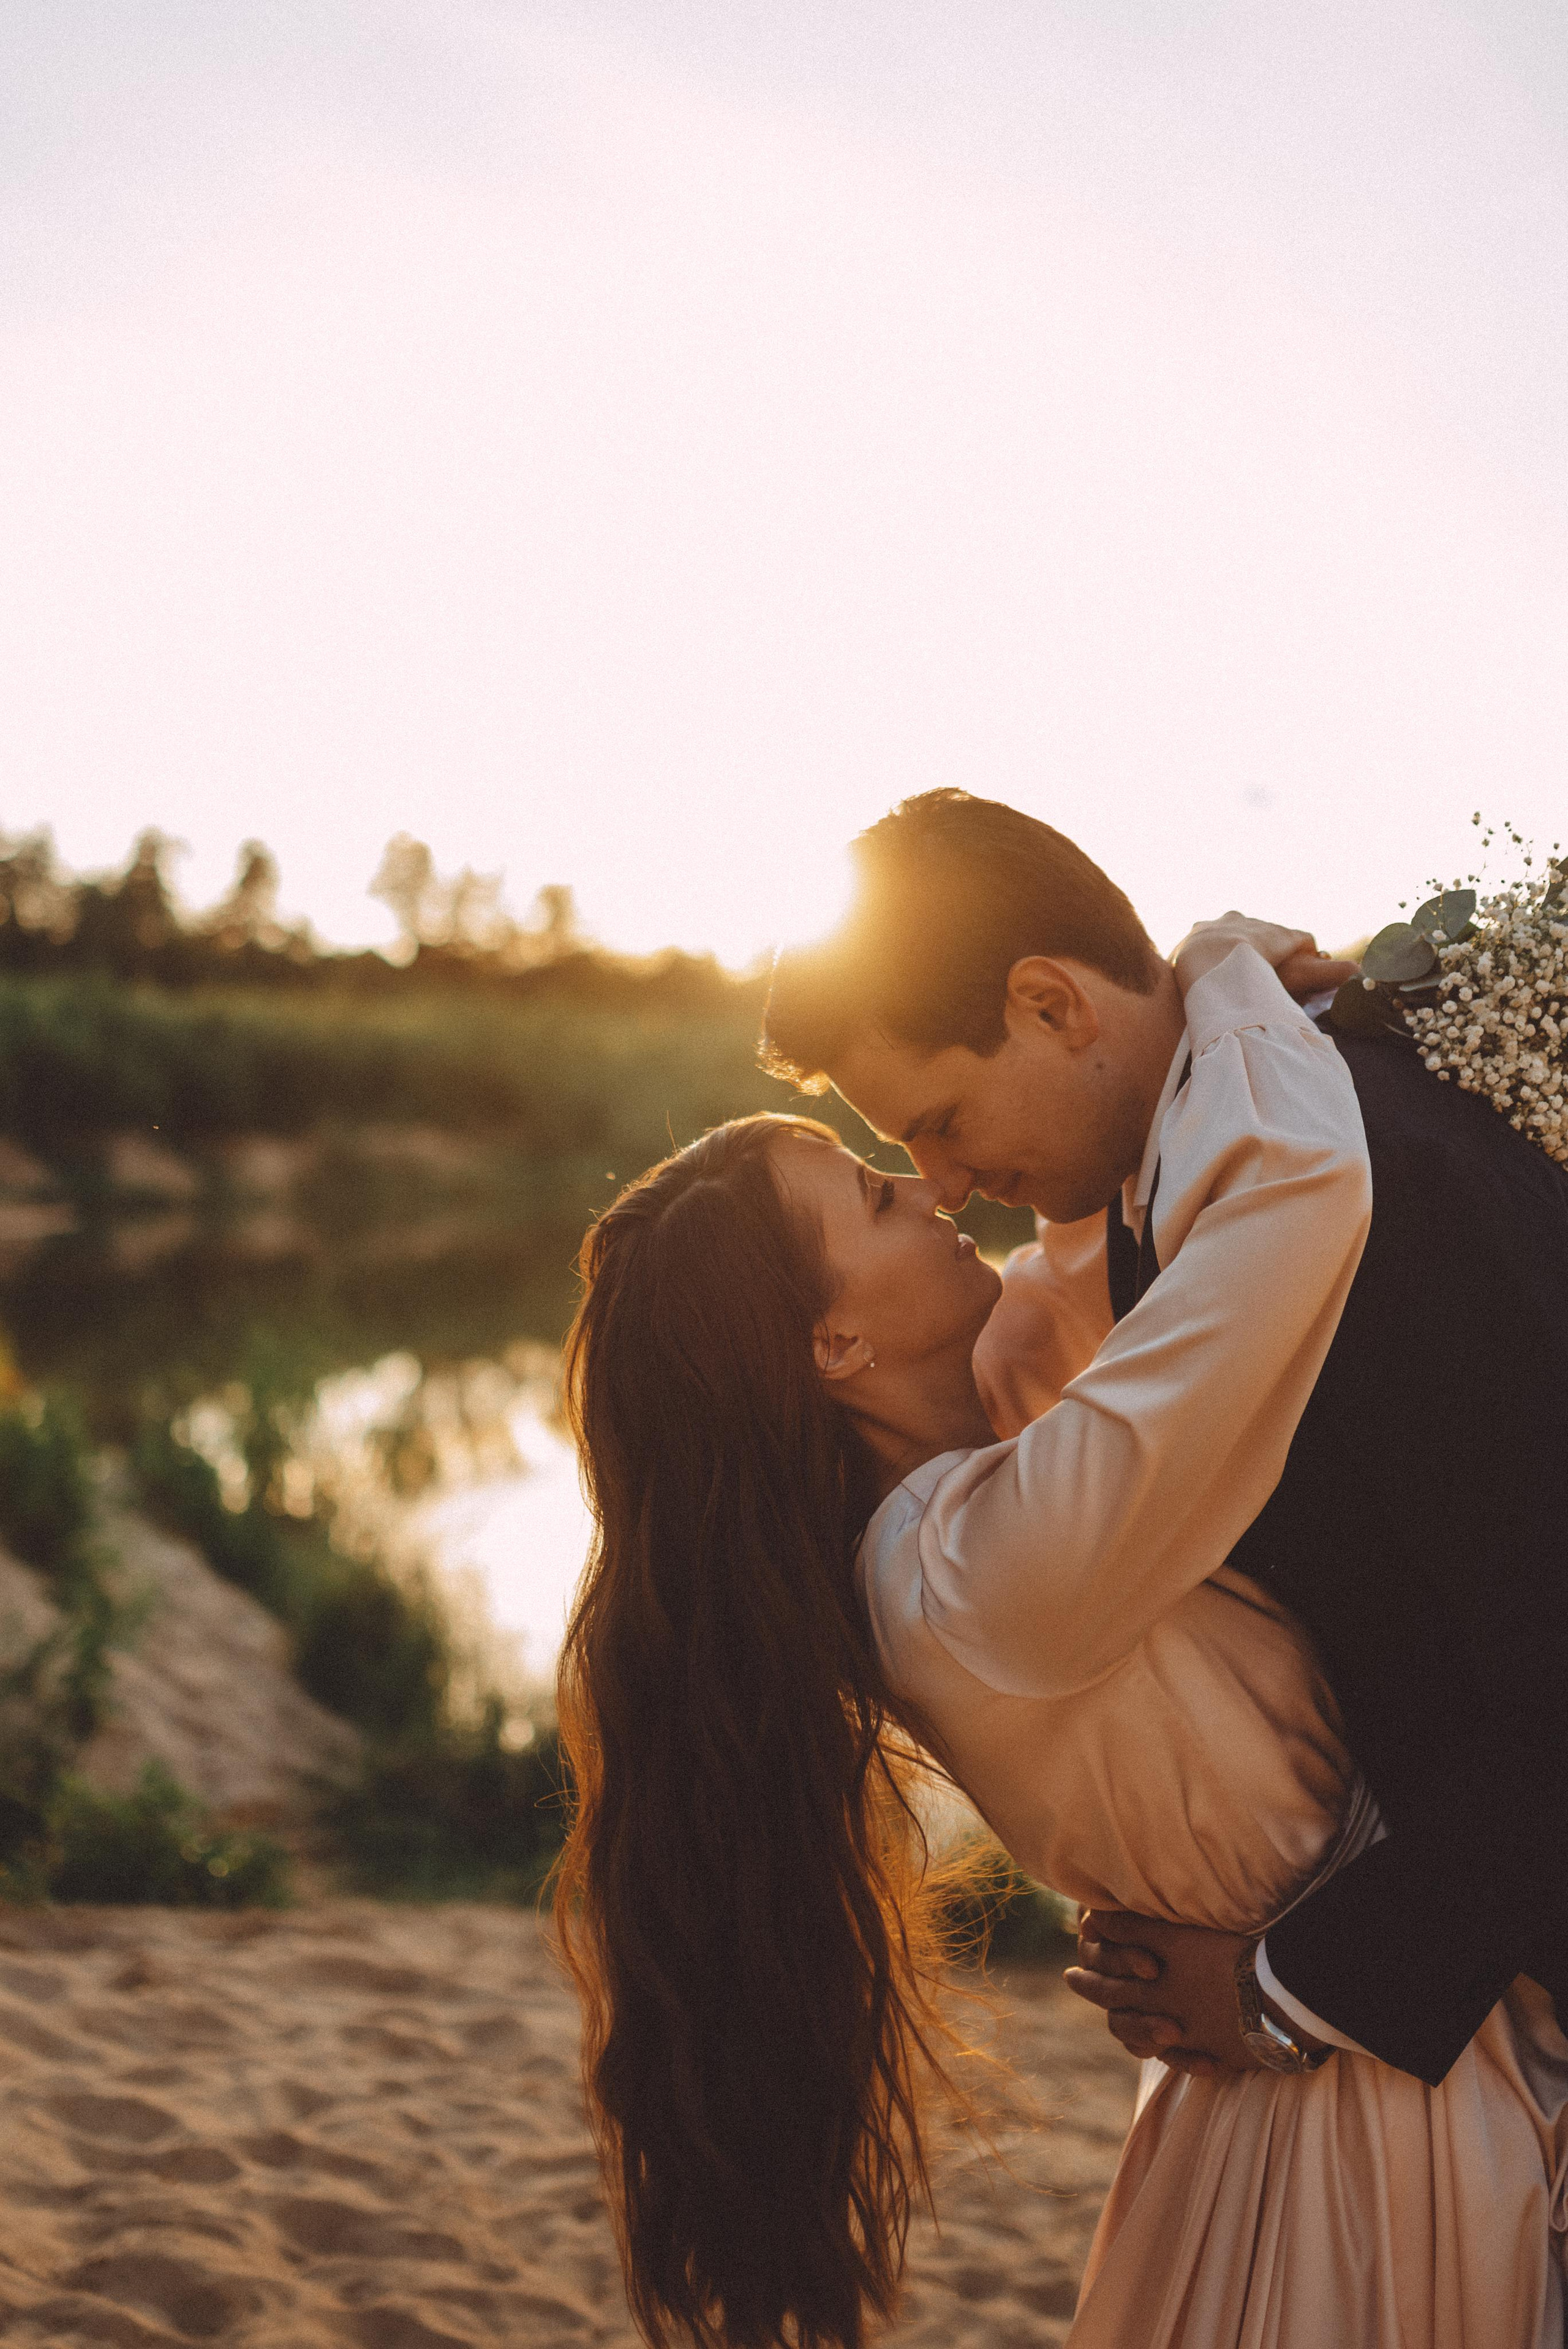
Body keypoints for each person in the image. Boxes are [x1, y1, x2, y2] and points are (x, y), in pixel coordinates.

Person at [556, 929, 1567, 2349]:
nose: (930, 1185)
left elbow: (1085, 1255)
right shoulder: (975, 1575)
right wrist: (1213, 978)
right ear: (833, 1345)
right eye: (873, 1186)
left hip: (1330, 2049)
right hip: (1351, 2101)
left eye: (917, 1142)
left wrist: (1127, 1058)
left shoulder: (974, 1465)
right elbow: (1277, 1228)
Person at [761, 787, 1568, 2094]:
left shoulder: (1368, 1179)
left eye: (940, 1122)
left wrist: (1295, 1988)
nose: (945, 1183)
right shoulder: (1175, 1176)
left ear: (1048, 1004)